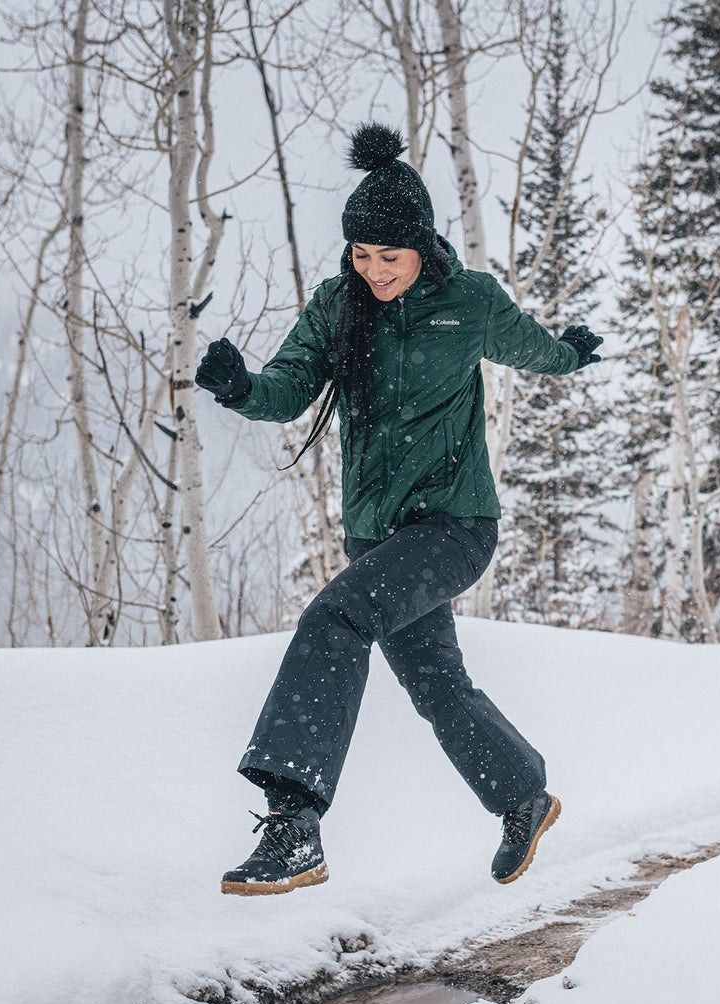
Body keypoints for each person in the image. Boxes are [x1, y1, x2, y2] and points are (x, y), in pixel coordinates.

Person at [195, 123, 602, 897]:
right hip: (377, 537)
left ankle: (295, 823)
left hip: (455, 525)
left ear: (423, 246)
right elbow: (287, 389)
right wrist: (241, 387)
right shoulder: (337, 307)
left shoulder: (470, 302)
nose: (375, 270)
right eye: (362, 255)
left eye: (390, 255)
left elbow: (532, 348)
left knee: (335, 619)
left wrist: (572, 354)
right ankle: (523, 795)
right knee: (437, 686)